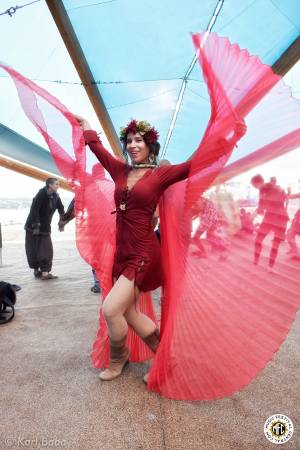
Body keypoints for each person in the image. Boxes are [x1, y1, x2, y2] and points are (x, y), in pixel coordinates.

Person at [74, 116, 245, 383]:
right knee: (130, 313)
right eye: (129, 141)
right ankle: (167, 358)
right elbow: (98, 150)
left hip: (143, 254)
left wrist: (228, 139)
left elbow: (196, 164)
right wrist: (86, 127)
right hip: (122, 253)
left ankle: (119, 360)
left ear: (150, 146)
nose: (132, 145)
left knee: (111, 310)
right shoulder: (120, 171)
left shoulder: (160, 174)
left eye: (138, 140)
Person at [58, 196, 102, 293]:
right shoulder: (106, 186)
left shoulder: (85, 190)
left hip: (95, 227)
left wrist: (64, 220)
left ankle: (98, 283)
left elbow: (75, 206)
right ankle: (105, 283)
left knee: (96, 255)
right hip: (108, 226)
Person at [25, 178, 65, 280]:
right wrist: (36, 226)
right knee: (33, 249)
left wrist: (62, 221)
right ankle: (38, 271)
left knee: (46, 250)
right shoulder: (41, 194)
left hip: (45, 227)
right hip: (33, 227)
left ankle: (44, 273)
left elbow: (61, 208)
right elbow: (34, 210)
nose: (58, 186)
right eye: (56, 184)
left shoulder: (56, 196)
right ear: (50, 185)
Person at [251, 174, 289, 271]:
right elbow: (284, 198)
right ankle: (269, 266)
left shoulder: (264, 188)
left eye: (254, 186)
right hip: (281, 217)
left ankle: (257, 261)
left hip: (273, 217)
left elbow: (261, 207)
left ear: (258, 183)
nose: (255, 188)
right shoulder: (275, 188)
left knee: (259, 240)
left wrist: (254, 215)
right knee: (274, 243)